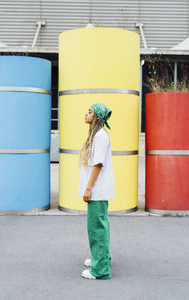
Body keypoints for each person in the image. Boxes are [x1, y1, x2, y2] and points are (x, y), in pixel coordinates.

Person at [79, 102, 115, 280]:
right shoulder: (99, 135)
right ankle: (101, 259)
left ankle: (100, 270)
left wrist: (88, 188)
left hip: (97, 191)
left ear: (97, 118)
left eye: (90, 112)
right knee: (100, 227)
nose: (86, 114)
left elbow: (98, 164)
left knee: (96, 229)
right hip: (99, 190)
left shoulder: (100, 136)